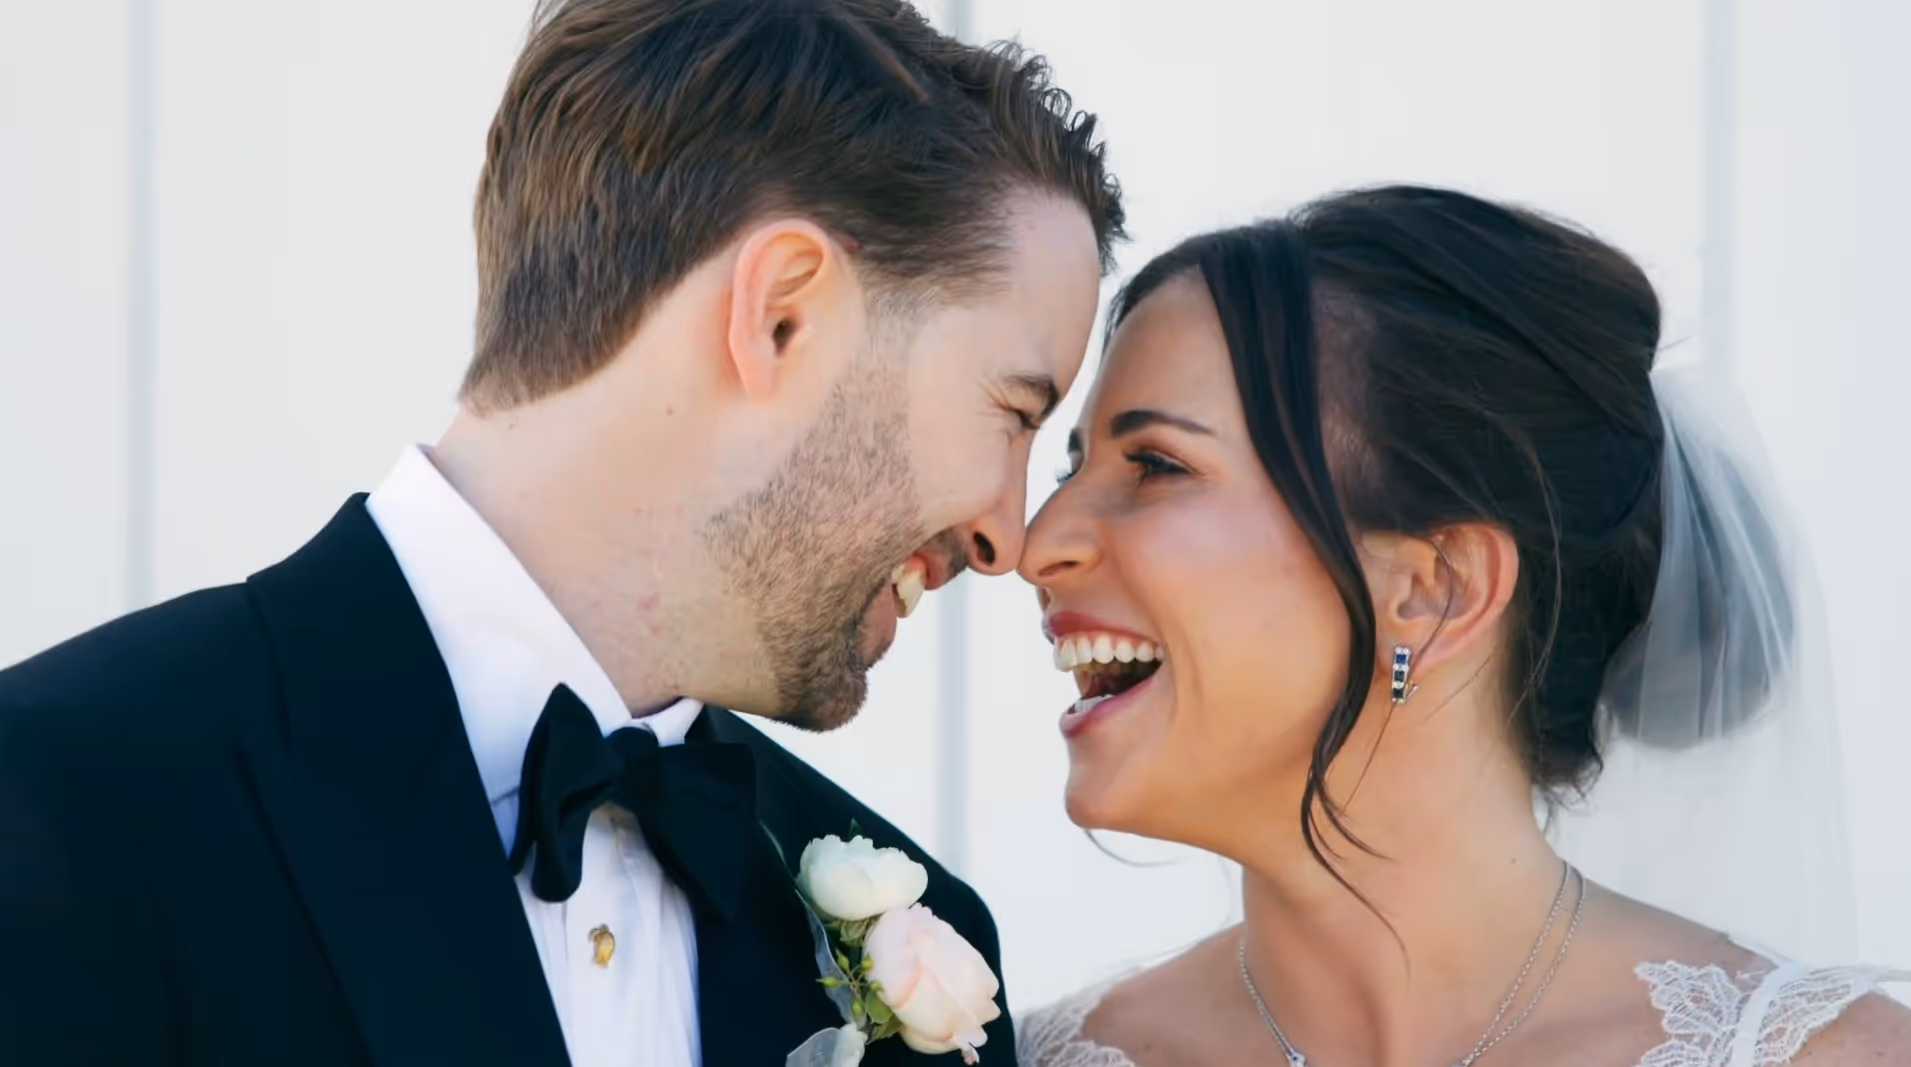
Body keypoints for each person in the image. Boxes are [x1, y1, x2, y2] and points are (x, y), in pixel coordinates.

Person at [0, 1, 1122, 1064]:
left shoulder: (927, 937)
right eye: (1015, 411)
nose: (1005, 537)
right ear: (782, 313)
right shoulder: (59, 804)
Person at [1014, 187, 1911, 1067]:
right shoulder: (1037, 1058)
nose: (1036, 541)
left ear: (1434, 589)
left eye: (1158, 465)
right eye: (1073, 464)